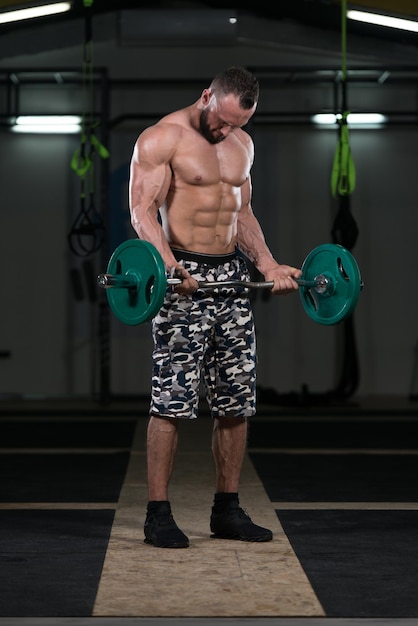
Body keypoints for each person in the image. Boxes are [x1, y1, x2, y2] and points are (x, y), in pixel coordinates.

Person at [129, 66, 302, 548]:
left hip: (231, 278)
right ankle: (158, 515)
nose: (226, 131)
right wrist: (167, 267)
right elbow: (141, 209)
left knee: (236, 401)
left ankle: (227, 510)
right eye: (221, 120)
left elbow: (241, 211)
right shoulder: (162, 138)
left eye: (236, 124)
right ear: (207, 95)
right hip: (180, 273)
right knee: (171, 401)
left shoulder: (242, 145)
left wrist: (267, 264)